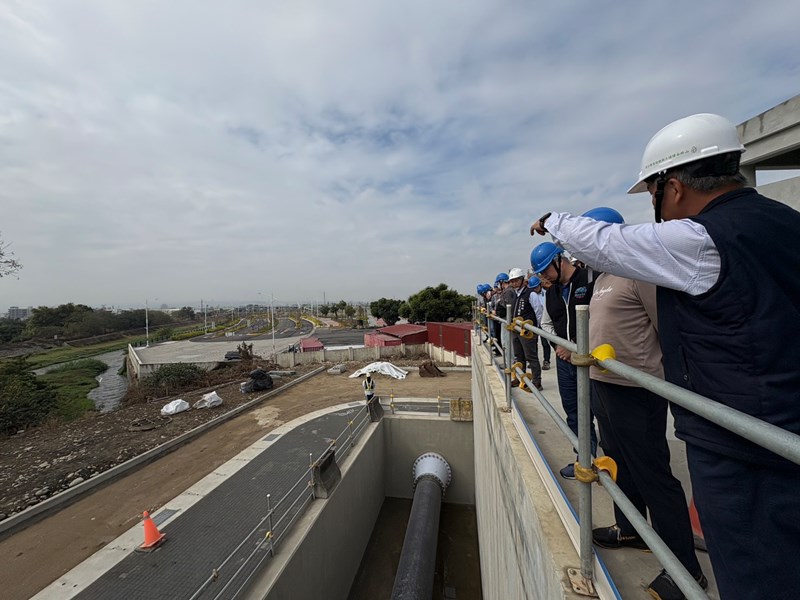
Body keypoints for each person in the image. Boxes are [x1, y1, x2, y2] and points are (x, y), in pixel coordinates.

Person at [530, 113, 800, 600]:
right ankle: (636, 531)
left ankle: (682, 572)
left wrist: (553, 222)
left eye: (652, 192)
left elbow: (612, 246)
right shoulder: (784, 225)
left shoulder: (701, 239)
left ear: (671, 187)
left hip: (737, 433)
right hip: (762, 417)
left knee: (754, 565)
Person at [581, 207, 705, 599]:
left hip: (637, 390)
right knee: (619, 463)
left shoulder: (640, 272)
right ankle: (630, 528)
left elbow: (667, 330)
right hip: (604, 384)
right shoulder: (602, 277)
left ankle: (685, 571)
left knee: (653, 473)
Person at [531, 241, 598, 479]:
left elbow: (599, 321)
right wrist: (558, 346)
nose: (544, 277)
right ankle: (584, 460)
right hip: (564, 362)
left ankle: (609, 461)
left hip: (590, 362)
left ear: (560, 261)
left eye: (546, 270)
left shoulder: (589, 282)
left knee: (599, 410)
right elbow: (546, 323)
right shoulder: (553, 292)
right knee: (574, 413)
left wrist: (577, 349)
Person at [507, 267, 543, 390]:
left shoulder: (530, 293)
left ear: (522, 280)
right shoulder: (516, 294)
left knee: (531, 356)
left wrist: (536, 329)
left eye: (516, 280)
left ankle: (537, 381)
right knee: (519, 356)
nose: (514, 283)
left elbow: (538, 311)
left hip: (528, 331)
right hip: (516, 330)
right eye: (512, 281)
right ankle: (519, 378)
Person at [527, 276, 551, 369]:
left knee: (545, 343)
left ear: (540, 285)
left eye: (536, 287)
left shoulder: (546, 294)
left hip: (544, 321)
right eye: (533, 288)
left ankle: (546, 361)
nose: (535, 289)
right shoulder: (531, 295)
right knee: (534, 343)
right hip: (534, 322)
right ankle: (534, 361)